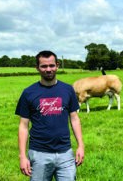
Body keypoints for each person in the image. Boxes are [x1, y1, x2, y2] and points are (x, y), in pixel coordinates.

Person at [15, 50, 85, 180]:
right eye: (44, 66)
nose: (48, 69)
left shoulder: (68, 90)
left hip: (65, 153)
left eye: (51, 65)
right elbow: (23, 126)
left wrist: (80, 146)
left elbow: (74, 119)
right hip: (39, 154)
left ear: (57, 66)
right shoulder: (28, 93)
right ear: (37, 68)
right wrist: (22, 156)